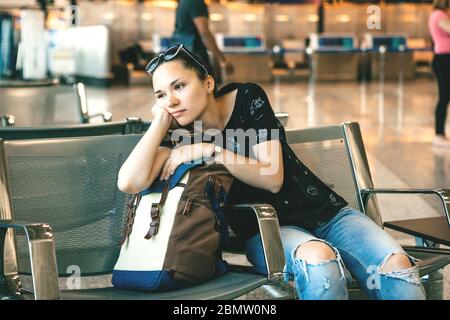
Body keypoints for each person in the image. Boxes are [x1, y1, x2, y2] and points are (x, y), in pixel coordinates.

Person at [117, 44, 426, 300]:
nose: (171, 100)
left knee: (396, 265)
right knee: (318, 262)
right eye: (160, 95)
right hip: (267, 230)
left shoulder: (247, 98)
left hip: (327, 213)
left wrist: (211, 150)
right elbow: (129, 181)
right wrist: (159, 123)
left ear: (208, 83)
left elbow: (272, 178)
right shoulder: (179, 133)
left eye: (179, 86)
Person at [172, 0, 233, 83]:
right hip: (193, 53)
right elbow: (205, 33)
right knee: (208, 87)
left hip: (182, 53)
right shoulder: (195, 2)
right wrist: (222, 61)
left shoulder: (184, 2)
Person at [429, 0, 450, 147]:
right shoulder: (438, 15)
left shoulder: (438, 14)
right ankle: (439, 134)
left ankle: (440, 133)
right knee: (444, 97)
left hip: (444, 59)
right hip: (444, 60)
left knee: (445, 97)